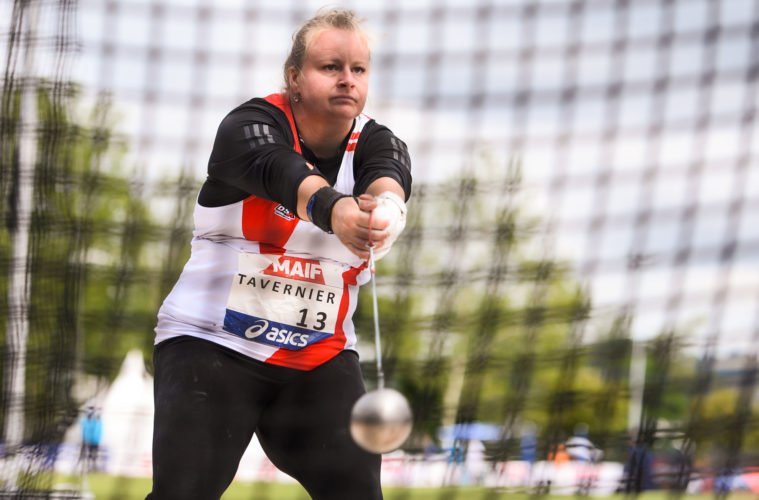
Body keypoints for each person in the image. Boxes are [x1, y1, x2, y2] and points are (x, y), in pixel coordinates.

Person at [147, 8, 412, 500]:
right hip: (212, 347)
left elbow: (389, 178)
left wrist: (388, 215)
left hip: (317, 361)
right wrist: (335, 211)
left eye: (358, 70)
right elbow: (280, 169)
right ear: (294, 77)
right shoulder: (249, 126)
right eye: (330, 67)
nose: (346, 80)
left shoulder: (379, 140)